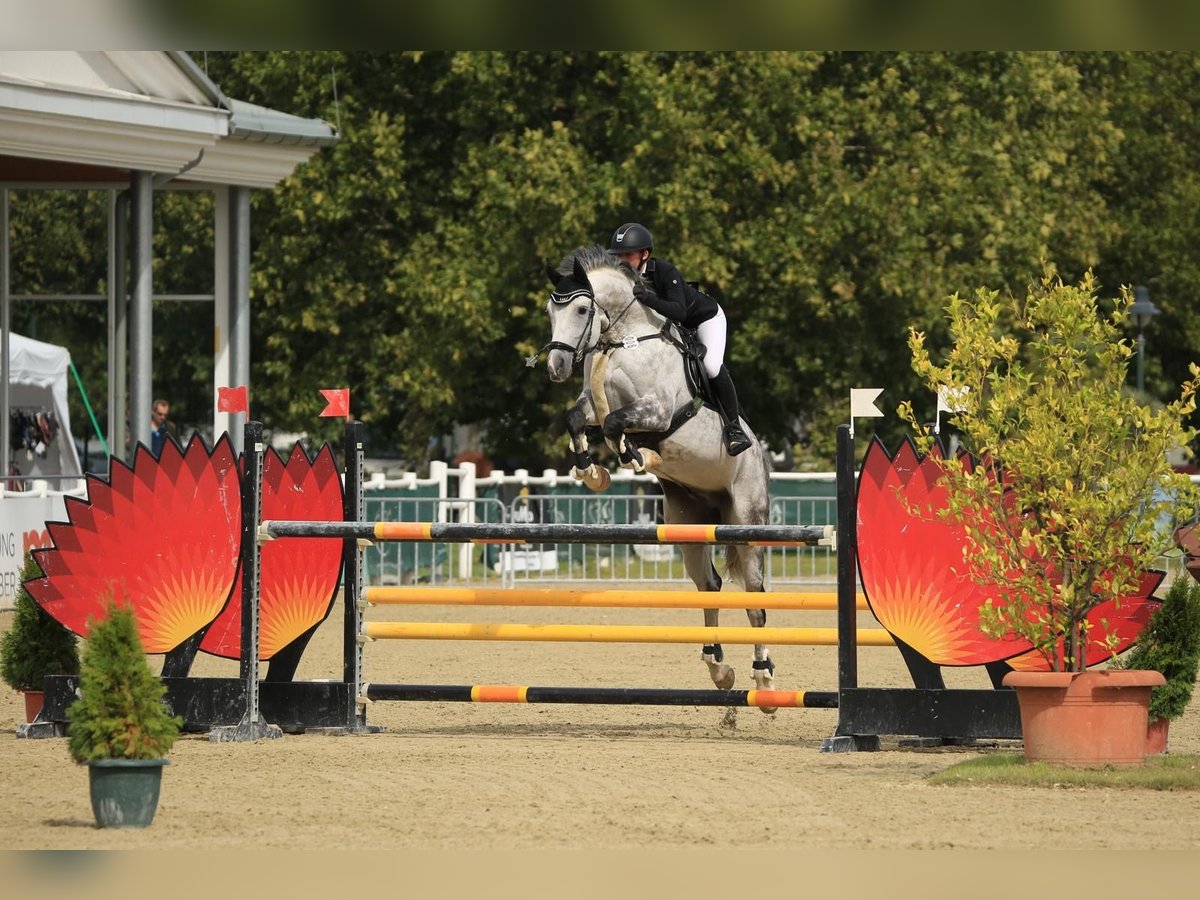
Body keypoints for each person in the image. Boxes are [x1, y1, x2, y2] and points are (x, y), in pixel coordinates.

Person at [609, 222, 753, 456]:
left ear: (645, 254)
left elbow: (680, 311)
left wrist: (648, 298)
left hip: (704, 319)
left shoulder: (665, 272)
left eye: (629, 255)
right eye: (619, 255)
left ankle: (734, 427)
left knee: (711, 366)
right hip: (672, 328)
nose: (622, 261)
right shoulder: (621, 278)